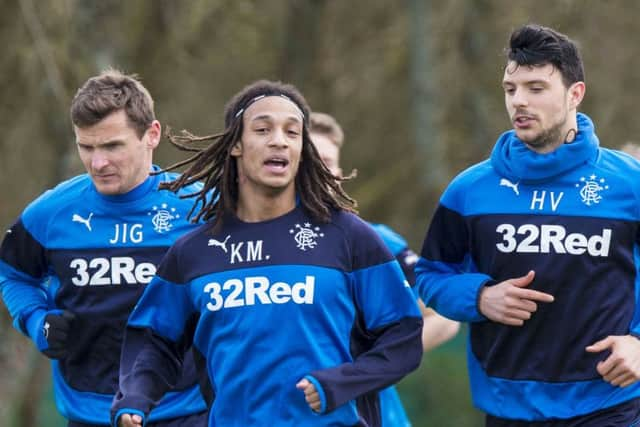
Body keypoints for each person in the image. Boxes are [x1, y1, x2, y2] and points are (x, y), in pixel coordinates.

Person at [111, 80, 424, 427]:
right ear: (236, 146)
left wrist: (342, 382)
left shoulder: (348, 238)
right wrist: (135, 398)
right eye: (263, 129)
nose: (279, 140)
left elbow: (403, 337)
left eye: (293, 133)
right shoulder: (193, 253)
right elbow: (155, 340)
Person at [416, 23, 640, 426]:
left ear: (576, 94)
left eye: (536, 88)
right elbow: (431, 274)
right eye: (510, 89)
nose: (519, 101)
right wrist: (479, 297)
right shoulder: (468, 190)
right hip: (507, 408)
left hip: (610, 405)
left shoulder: (630, 185)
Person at [0, 70, 208, 426]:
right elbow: (12, 274)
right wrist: (36, 321)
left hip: (183, 409)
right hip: (89, 412)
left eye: (112, 146)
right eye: (87, 147)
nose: (98, 163)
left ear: (151, 135)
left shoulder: (201, 207)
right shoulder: (50, 213)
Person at [309, 111, 460, 427]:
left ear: (339, 172)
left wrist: (369, 371)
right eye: (310, 160)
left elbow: (444, 318)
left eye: (327, 160)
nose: (320, 170)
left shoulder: (376, 242)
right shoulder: (255, 249)